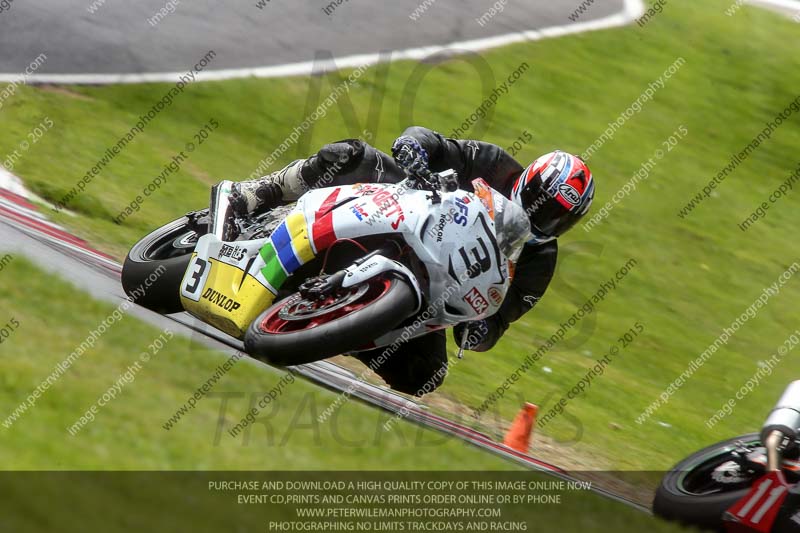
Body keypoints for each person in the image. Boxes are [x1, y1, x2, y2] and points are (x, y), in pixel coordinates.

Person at [230, 127, 595, 395]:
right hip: (401, 213)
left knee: (425, 375)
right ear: (528, 180)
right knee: (353, 156)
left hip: (430, 289)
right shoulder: (494, 163)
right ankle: (263, 191)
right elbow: (436, 143)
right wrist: (413, 146)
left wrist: (481, 332)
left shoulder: (539, 262)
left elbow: (502, 318)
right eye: (540, 201)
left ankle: (334, 330)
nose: (540, 216)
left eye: (556, 217)